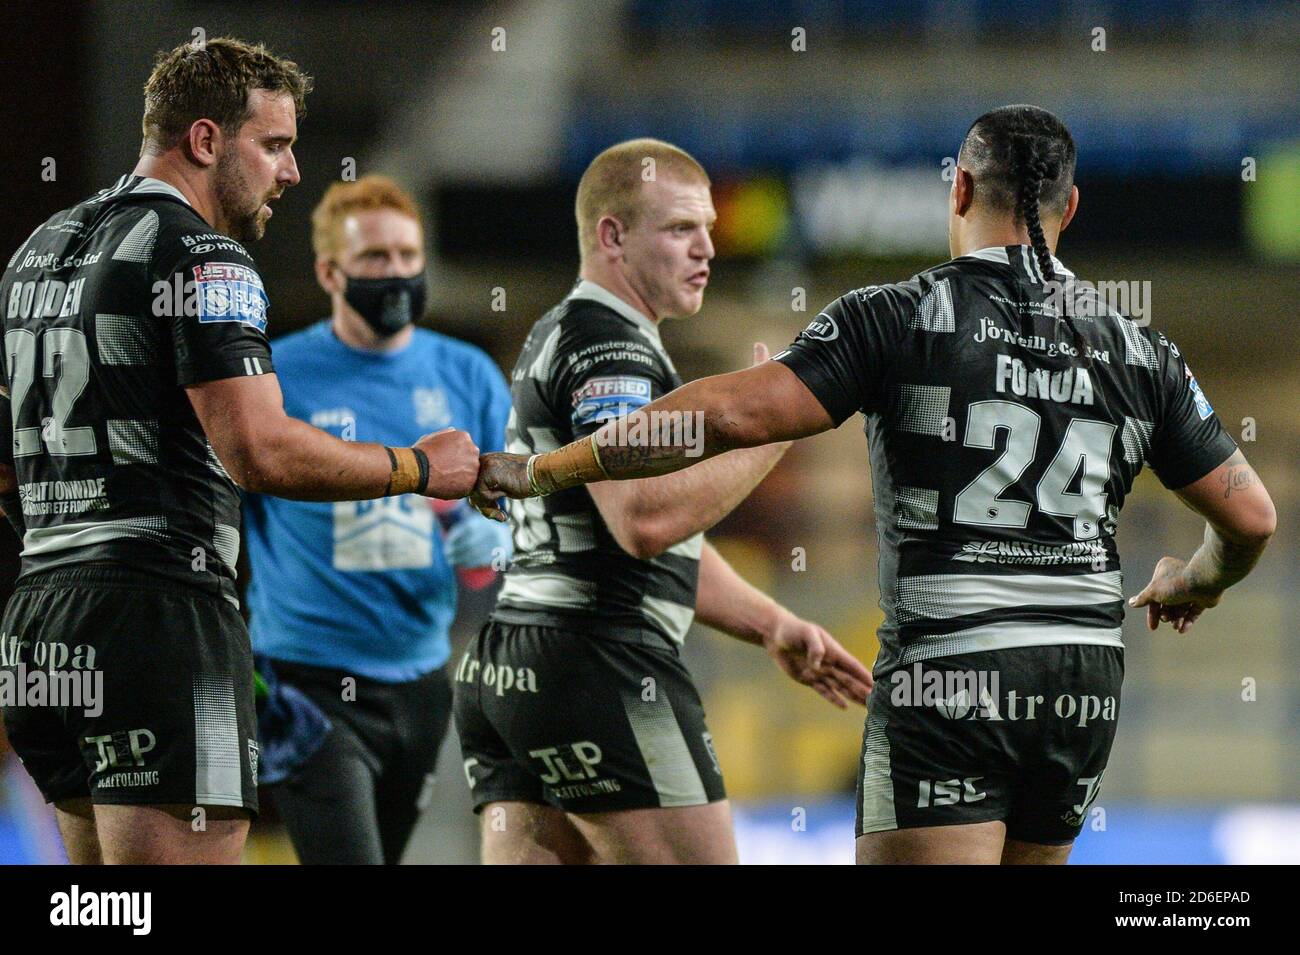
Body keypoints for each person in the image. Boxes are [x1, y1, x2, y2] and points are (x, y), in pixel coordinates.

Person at [473, 107, 1276, 865]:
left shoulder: (897, 315)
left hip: (950, 671)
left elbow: (726, 416)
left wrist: (549, 466)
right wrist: (1196, 578)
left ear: (958, 189)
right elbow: (1250, 515)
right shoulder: (1140, 348)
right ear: (1073, 206)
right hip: (1081, 682)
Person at [0, 37, 480, 865]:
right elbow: (259, 451)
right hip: (159, 617)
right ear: (205, 140)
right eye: (276, 144)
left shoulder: (37, 251)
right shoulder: (202, 253)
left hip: (41, 618)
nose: (291, 172)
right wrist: (419, 466)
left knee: (106, 914)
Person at [453, 138, 873, 865]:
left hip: (515, 667)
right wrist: (785, 419)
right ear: (612, 236)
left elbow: (623, 535)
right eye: (681, 229)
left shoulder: (563, 331)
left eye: (708, 228)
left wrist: (771, 622)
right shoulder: (610, 343)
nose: (707, 248)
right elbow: (643, 518)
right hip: (602, 663)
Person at [242, 175, 512, 864]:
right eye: (375, 260)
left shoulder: (468, 374)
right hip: (306, 677)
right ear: (331, 272)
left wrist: (501, 537)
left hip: (421, 677)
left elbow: (514, 516)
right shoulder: (276, 375)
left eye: (407, 256)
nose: (395, 273)